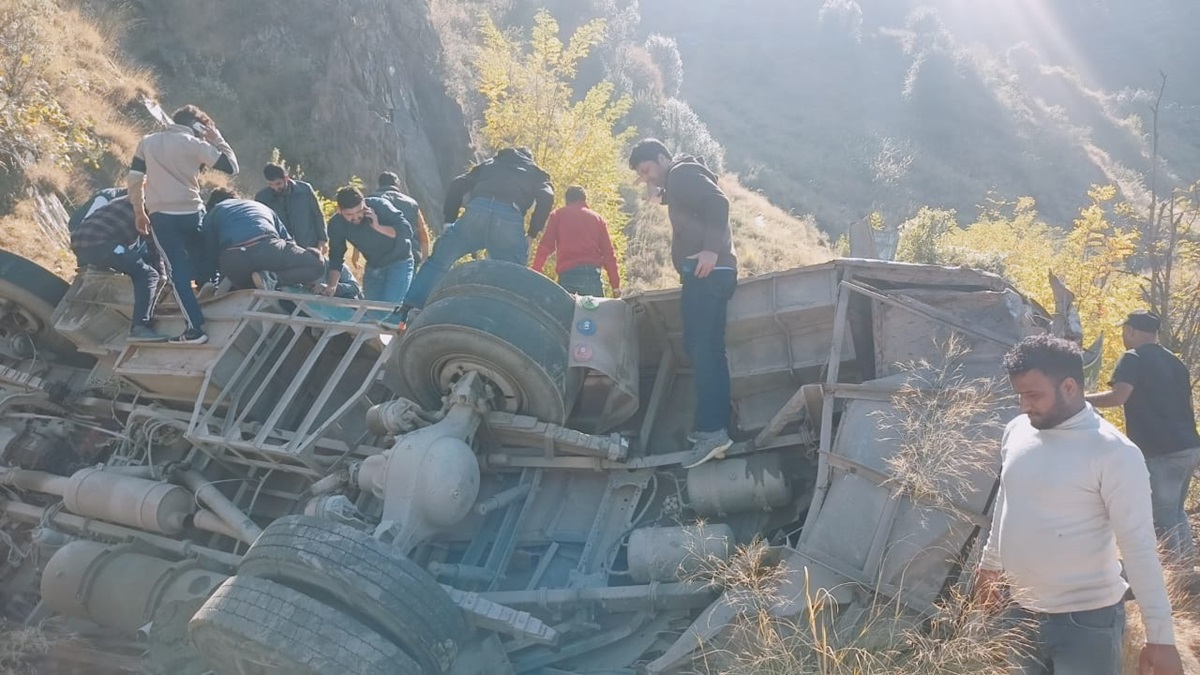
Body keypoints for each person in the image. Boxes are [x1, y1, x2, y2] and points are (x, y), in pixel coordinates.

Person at [975, 334, 1182, 675]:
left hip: (1087, 623)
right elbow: (1008, 499)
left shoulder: (1115, 453)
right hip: (1018, 613)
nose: (1023, 405)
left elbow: (1139, 548)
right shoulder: (1016, 431)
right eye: (1020, 395)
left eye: (1033, 395)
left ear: (1069, 386)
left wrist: (1160, 638)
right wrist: (990, 564)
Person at [628, 139, 736, 468]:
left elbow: (717, 203)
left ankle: (713, 430)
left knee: (702, 347)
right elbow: (690, 204)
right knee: (705, 347)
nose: (647, 178)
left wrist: (710, 250)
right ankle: (715, 427)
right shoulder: (677, 181)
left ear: (663, 158)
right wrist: (658, 196)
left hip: (708, 270)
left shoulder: (681, 173)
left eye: (647, 170)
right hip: (708, 273)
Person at [1086, 310, 1200, 563]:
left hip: (1162, 451)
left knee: (1161, 517)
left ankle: (1171, 578)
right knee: (1176, 512)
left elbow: (1118, 397)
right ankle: (1186, 575)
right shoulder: (1175, 361)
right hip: (1189, 446)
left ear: (1130, 330)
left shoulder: (1132, 358)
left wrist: (1077, 400)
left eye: (1123, 330)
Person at [395, 147, 554, 318]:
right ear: (530, 159)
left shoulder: (490, 164)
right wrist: (531, 233)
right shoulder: (535, 172)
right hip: (509, 217)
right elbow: (547, 196)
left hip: (477, 211)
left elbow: (458, 183)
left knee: (439, 261)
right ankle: (501, 321)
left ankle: (408, 309)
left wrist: (449, 222)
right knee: (511, 274)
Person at [128, 105, 239, 345]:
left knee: (176, 271)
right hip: (192, 212)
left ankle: (194, 328)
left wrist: (139, 211)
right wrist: (217, 139)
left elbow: (135, 179)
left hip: (161, 217)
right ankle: (208, 285)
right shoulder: (195, 144)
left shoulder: (147, 142)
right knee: (203, 253)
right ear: (196, 126)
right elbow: (232, 167)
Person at [254, 163, 361, 299]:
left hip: (310, 244)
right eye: (271, 185)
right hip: (285, 248)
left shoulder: (304, 190)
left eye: (278, 184)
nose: (275, 188)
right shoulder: (262, 198)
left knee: (314, 272)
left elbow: (317, 214)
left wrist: (323, 239)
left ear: (286, 178)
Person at [70, 196, 166, 343]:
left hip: (80, 242)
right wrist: (163, 277)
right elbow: (154, 247)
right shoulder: (151, 208)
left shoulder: (126, 199)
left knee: (127, 265)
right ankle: (140, 328)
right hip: (101, 243)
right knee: (148, 275)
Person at [201, 188, 325, 292]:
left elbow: (209, 254)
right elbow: (288, 242)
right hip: (267, 248)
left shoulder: (213, 213)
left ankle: (225, 290)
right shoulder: (259, 206)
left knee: (243, 287)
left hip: (233, 261)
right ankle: (272, 279)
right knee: (317, 265)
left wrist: (206, 281)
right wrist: (296, 276)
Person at [323, 187, 414, 303]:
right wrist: (332, 286)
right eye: (349, 214)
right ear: (339, 210)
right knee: (370, 311)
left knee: (387, 308)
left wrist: (378, 227)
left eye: (359, 211)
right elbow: (336, 256)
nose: (355, 217)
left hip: (399, 262)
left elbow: (406, 231)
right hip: (373, 267)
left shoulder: (380, 206)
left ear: (364, 203)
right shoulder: (336, 224)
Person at [530, 185, 621, 298]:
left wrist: (535, 272)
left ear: (567, 200)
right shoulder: (598, 219)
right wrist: (615, 287)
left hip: (568, 274)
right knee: (595, 313)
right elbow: (609, 255)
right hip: (592, 276)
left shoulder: (558, 215)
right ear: (584, 199)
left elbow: (545, 246)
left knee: (566, 314)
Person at [370, 171, 431, 264]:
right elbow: (422, 231)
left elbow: (362, 225)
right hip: (410, 253)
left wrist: (356, 252)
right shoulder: (412, 203)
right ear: (397, 184)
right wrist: (425, 256)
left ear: (379, 184)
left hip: (380, 255)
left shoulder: (371, 200)